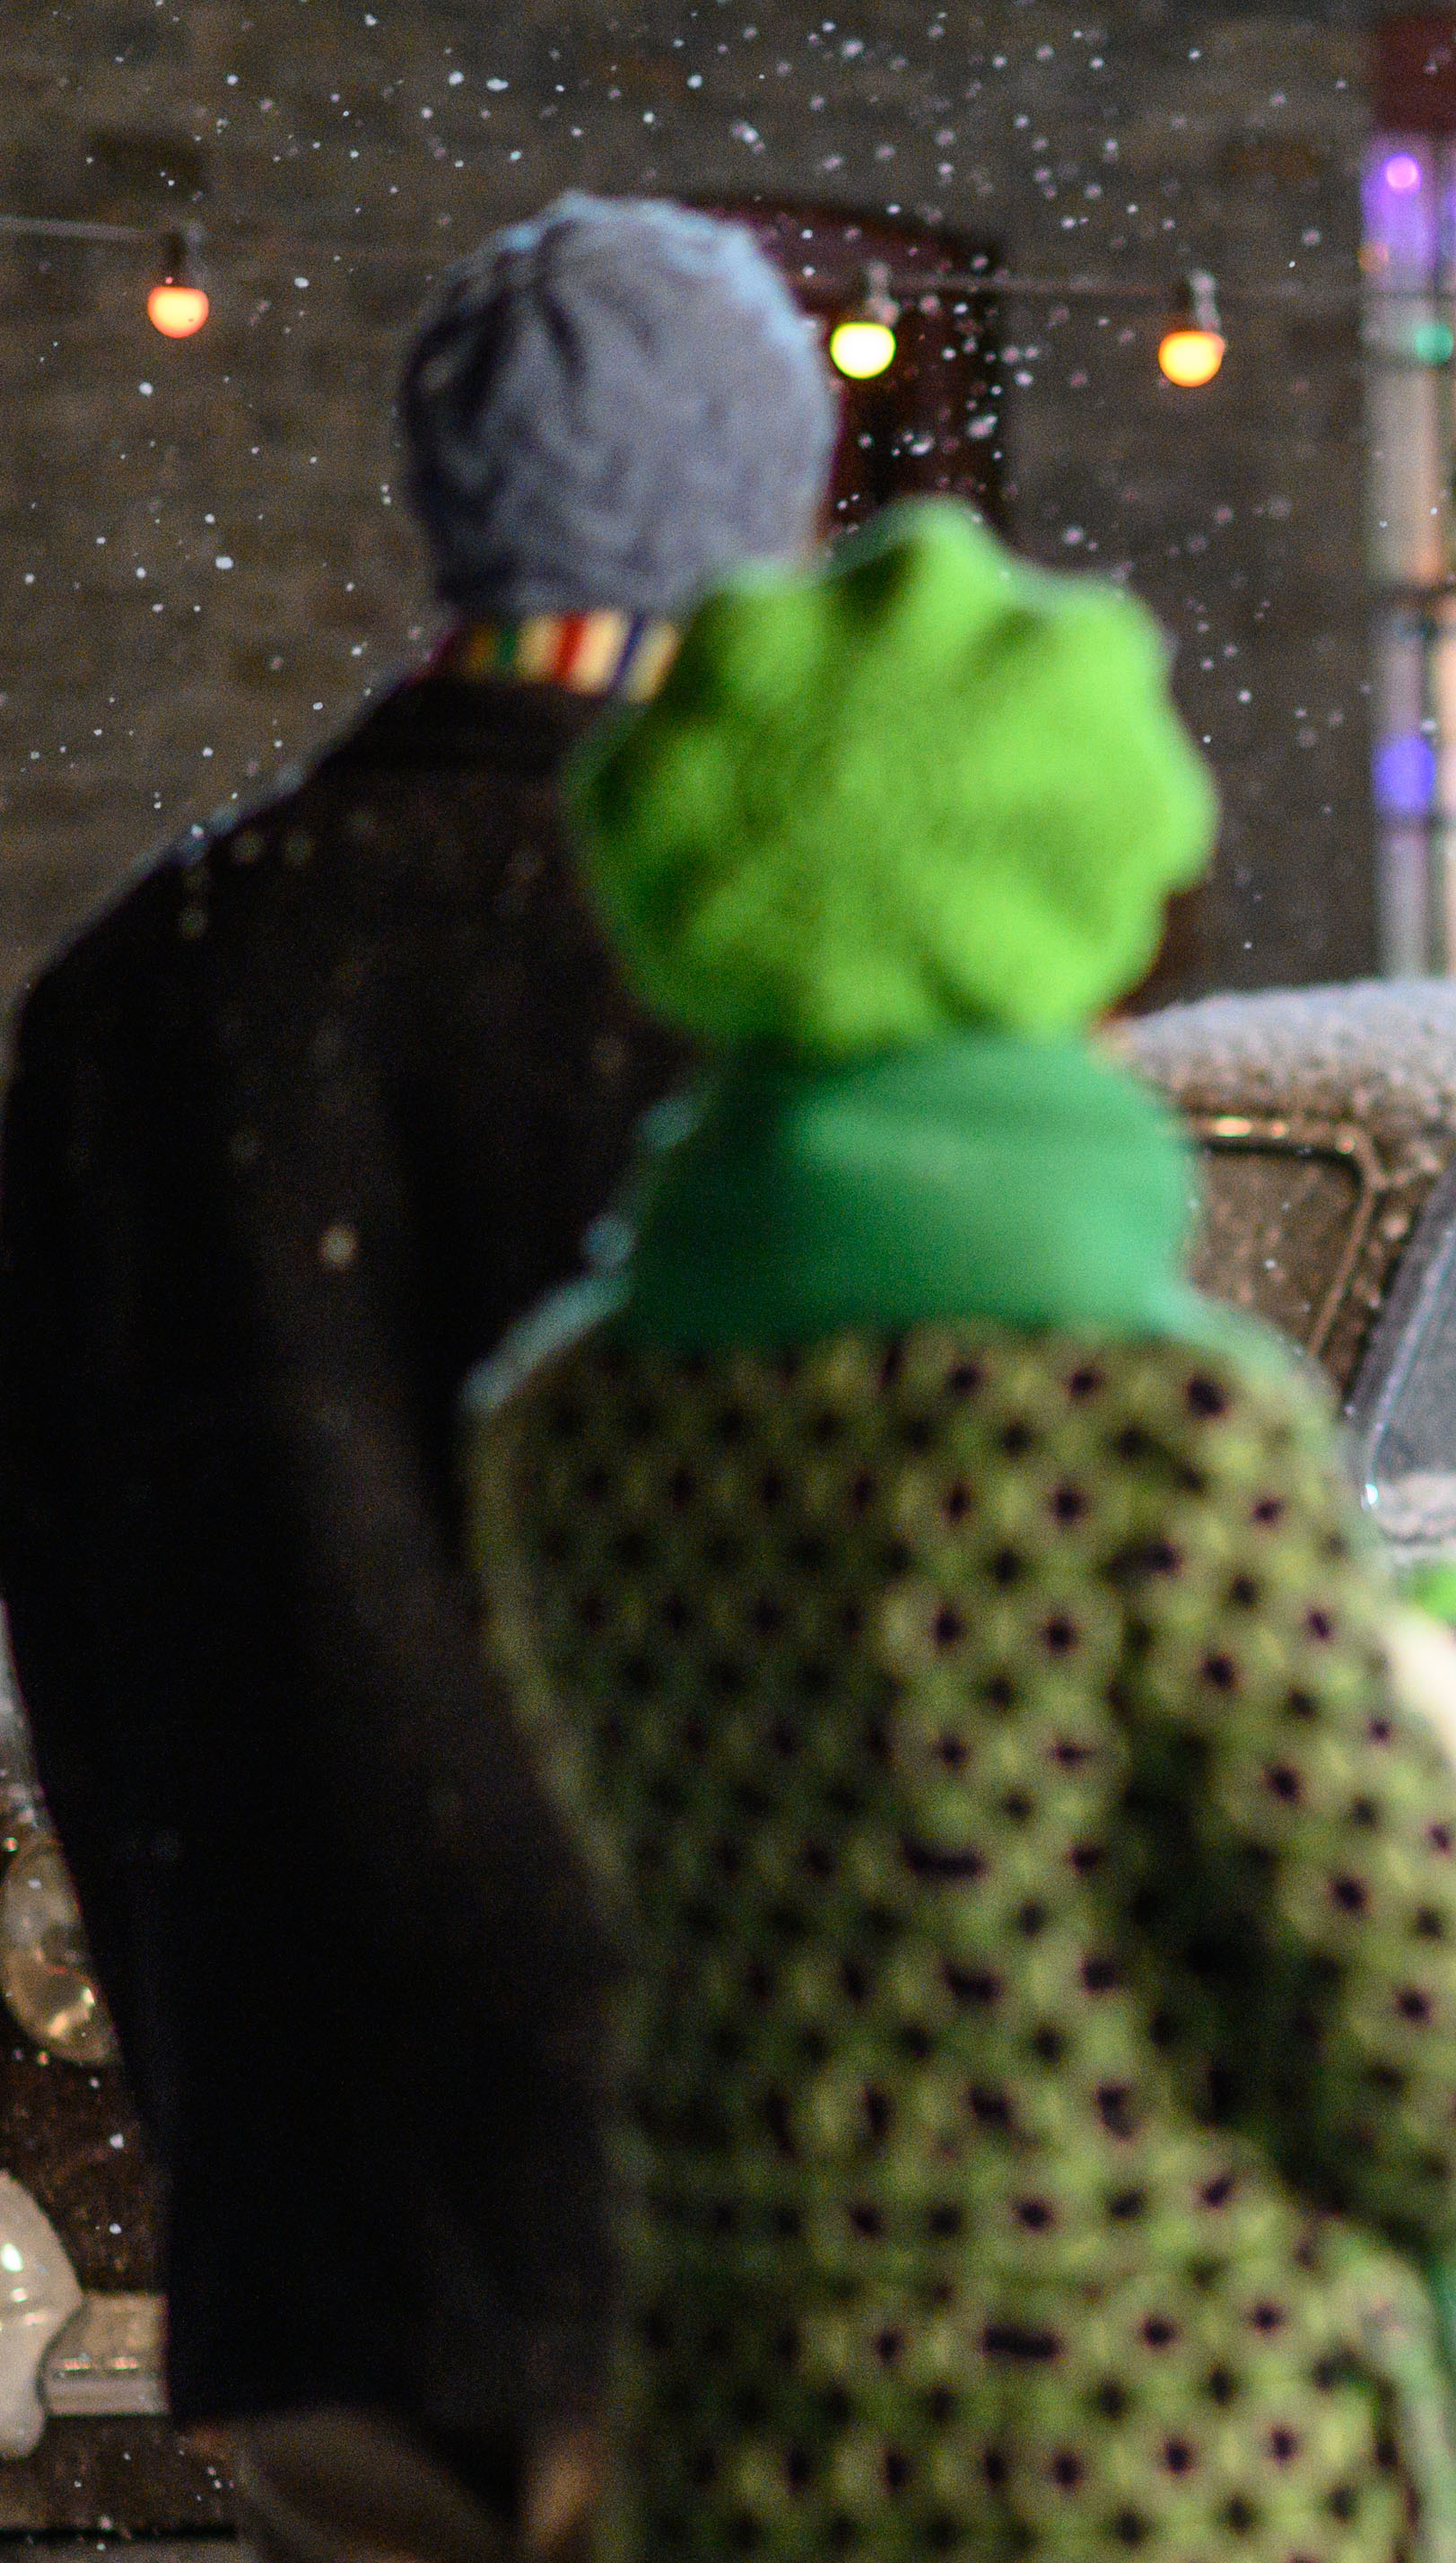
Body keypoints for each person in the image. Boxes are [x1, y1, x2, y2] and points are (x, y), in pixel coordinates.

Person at [461, 499, 1456, 2563]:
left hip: (748, 2452)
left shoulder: (569, 1431)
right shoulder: (1158, 1433)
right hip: (1183, 2473)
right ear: (1063, 914)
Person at [0, 197, 837, 2562]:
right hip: (734, 2177)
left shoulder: (139, 994)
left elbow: (84, 1615)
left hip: (311, 2185)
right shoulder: (749, 967)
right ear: (757, 512)